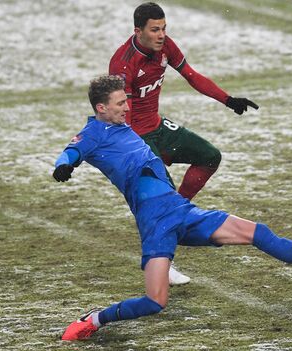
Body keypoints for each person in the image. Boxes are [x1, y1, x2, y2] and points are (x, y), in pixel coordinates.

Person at [54, 76, 292, 341]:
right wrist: (63, 166)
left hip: (180, 210)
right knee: (155, 301)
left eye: (127, 100)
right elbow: (70, 151)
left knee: (254, 231)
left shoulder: (123, 125)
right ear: (101, 108)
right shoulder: (93, 133)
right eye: (121, 103)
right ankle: (95, 320)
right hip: (155, 223)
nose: (127, 106)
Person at [110, 2, 258, 285]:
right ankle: (162, 262)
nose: (162, 34)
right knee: (159, 201)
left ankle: (175, 215)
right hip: (136, 138)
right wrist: (137, 153)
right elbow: (121, 114)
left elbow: (191, 75)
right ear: (137, 31)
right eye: (155, 30)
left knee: (209, 156)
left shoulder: (166, 47)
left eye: (164, 28)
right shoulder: (123, 64)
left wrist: (227, 99)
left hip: (158, 127)